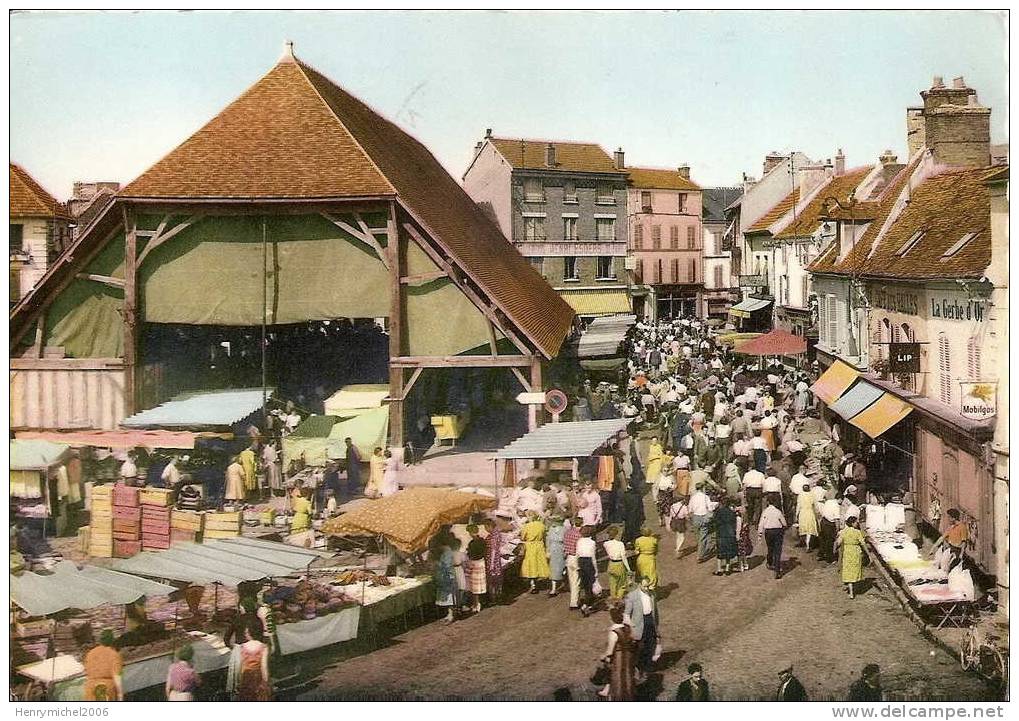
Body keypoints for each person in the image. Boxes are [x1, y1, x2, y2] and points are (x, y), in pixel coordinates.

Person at [624, 577, 659, 679]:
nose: (647, 588)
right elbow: (627, 614)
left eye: (648, 586)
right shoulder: (632, 596)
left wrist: (656, 625)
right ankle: (638, 669)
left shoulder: (652, 594)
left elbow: (655, 612)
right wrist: (631, 627)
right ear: (639, 585)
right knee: (639, 648)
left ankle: (647, 668)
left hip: (650, 621)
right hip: (638, 624)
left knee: (651, 645)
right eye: (644, 586)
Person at [599, 605, 636, 701]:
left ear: (611, 619)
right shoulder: (628, 628)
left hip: (618, 658)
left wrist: (603, 656)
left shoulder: (614, 632)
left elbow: (610, 651)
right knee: (628, 678)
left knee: (618, 679)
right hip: (628, 656)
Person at [234, 618, 272, 701]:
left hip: (246, 675)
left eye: (246, 632)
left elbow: (239, 665)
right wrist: (266, 681)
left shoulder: (242, 647)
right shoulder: (264, 647)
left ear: (248, 633)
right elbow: (264, 666)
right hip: (258, 676)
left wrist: (238, 681)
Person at [83, 629, 124, 701]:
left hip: (90, 686)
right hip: (105, 687)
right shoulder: (114, 654)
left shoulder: (90, 653)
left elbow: (87, 671)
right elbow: (117, 676)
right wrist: (120, 694)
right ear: (112, 641)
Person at [836, 516, 866, 599]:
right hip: (855, 551)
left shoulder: (843, 532)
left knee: (848, 570)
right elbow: (863, 544)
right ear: (853, 523)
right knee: (855, 569)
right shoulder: (857, 532)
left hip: (847, 551)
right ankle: (854, 586)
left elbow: (838, 542)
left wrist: (835, 549)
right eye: (856, 522)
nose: (857, 523)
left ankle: (851, 591)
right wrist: (867, 553)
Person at [758, 493, 787, 579]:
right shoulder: (778, 512)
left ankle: (770, 562)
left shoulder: (765, 512)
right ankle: (777, 570)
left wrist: (759, 534)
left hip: (768, 532)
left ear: (768, 502)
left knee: (770, 548)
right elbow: (784, 523)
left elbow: (761, 524)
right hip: (778, 531)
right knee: (778, 550)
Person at [521, 512, 551, 593]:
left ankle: (533, 584)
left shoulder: (526, 526)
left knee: (531, 565)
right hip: (539, 545)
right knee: (539, 564)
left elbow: (523, 537)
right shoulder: (541, 525)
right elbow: (545, 535)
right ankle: (537, 581)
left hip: (530, 546)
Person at [688, 483, 717, 562]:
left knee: (698, 535)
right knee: (703, 536)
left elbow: (690, 509)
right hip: (704, 516)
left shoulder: (693, 497)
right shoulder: (705, 497)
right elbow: (710, 508)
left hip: (695, 517)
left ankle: (701, 549)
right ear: (702, 488)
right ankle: (700, 554)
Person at [576, 525, 599, 616]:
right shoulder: (592, 542)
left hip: (581, 562)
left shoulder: (579, 541)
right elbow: (593, 557)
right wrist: (596, 570)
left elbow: (577, 553)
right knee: (590, 584)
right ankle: (586, 605)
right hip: (589, 562)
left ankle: (588, 602)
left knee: (585, 584)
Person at [603, 526, 631, 600]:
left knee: (612, 583)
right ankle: (619, 597)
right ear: (617, 534)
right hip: (619, 564)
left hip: (611, 563)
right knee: (622, 583)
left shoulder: (605, 544)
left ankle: (613, 597)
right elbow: (623, 557)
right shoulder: (620, 544)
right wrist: (628, 569)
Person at [434, 539, 458, 623]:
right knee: (447, 595)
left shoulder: (447, 552)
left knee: (449, 596)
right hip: (444, 576)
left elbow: (447, 565)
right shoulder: (445, 552)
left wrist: (438, 564)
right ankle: (449, 613)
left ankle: (451, 614)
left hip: (447, 576)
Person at [464, 525, 487, 613]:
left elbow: (471, 554)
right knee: (479, 585)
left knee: (474, 586)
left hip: (474, 563)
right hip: (481, 563)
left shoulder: (472, 543)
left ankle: (476, 604)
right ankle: (478, 603)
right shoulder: (482, 541)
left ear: (470, 532)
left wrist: (468, 552)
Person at [713, 497, 739, 576]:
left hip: (721, 533)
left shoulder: (719, 512)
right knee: (728, 551)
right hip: (730, 533)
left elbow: (715, 522)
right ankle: (727, 568)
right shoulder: (732, 512)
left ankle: (719, 569)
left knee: (720, 552)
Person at [482, 519, 504, 603]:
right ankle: (498, 595)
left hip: (492, 560)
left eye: (486, 527)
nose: (485, 529)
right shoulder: (497, 533)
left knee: (492, 580)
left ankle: (493, 598)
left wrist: (491, 564)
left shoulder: (493, 536)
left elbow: (493, 550)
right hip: (496, 560)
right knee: (497, 580)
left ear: (489, 526)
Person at [564, 516, 583, 609]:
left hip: (568, 558)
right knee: (576, 581)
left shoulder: (567, 533)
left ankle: (574, 599)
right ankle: (574, 602)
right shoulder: (579, 535)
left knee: (571, 580)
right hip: (576, 558)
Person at [546, 515, 567, 597]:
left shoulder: (564, 529)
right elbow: (548, 541)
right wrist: (548, 551)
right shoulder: (551, 529)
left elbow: (565, 540)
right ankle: (553, 588)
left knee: (562, 568)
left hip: (561, 549)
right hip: (553, 550)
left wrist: (566, 550)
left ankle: (564, 583)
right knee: (553, 569)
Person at [818, 494, 841, 563]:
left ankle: (821, 554)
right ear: (839, 499)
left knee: (823, 539)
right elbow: (837, 519)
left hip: (823, 521)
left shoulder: (828, 501)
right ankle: (829, 558)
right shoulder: (836, 506)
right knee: (829, 541)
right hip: (829, 524)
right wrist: (837, 529)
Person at [796, 483, 819, 551]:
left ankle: (804, 542)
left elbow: (798, 506)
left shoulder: (800, 495)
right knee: (809, 530)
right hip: (810, 513)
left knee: (804, 528)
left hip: (803, 513)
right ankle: (808, 544)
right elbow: (816, 506)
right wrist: (817, 513)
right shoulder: (812, 495)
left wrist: (796, 514)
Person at [736, 505, 753, 572]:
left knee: (739, 552)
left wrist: (737, 536)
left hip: (740, 537)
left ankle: (741, 566)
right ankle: (745, 564)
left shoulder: (738, 519)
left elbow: (738, 529)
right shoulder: (746, 521)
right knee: (744, 552)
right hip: (745, 537)